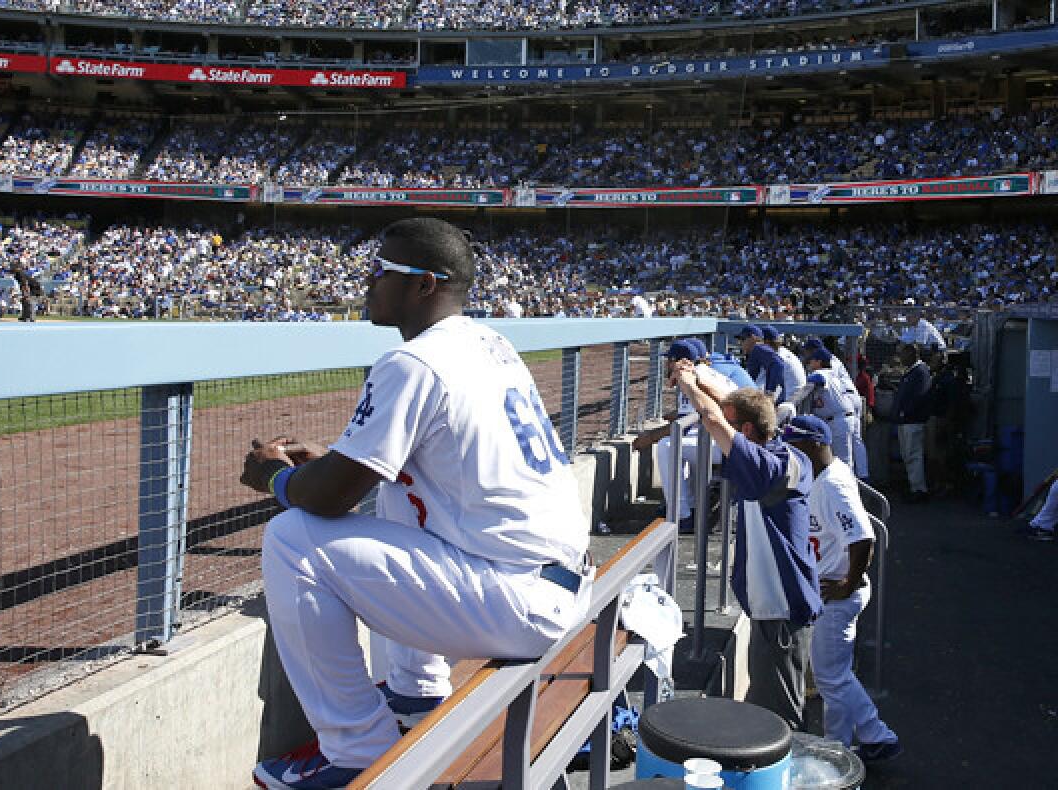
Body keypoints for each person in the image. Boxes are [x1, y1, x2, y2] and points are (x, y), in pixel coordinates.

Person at [241, 218, 592, 790]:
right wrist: (336, 454)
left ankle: (357, 751)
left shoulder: (414, 361)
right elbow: (423, 454)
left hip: (518, 599)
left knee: (292, 541)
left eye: (382, 272)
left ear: (424, 285)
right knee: (398, 498)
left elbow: (330, 498)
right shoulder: (489, 342)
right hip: (557, 582)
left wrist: (275, 483)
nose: (369, 283)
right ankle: (415, 693)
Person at [669, 364, 821, 729]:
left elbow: (711, 418)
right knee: (763, 708)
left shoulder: (766, 469)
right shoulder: (784, 452)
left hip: (780, 610)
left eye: (737, 430)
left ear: (748, 432)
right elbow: (731, 414)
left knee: (778, 721)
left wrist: (690, 386)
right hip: (780, 607)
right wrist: (705, 381)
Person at [783, 416, 901, 762]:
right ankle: (836, 745)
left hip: (839, 594)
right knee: (835, 677)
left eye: (797, 445)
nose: (791, 451)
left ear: (817, 444)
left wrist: (847, 583)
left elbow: (864, 537)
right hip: (830, 589)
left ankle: (876, 734)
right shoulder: (822, 474)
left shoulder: (833, 484)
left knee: (831, 677)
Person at [633, 339, 736, 533]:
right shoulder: (703, 372)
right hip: (735, 438)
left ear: (677, 361)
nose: (666, 364)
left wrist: (649, 437)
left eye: (669, 360)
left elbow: (684, 426)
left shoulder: (691, 376)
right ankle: (694, 506)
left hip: (733, 444)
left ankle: (682, 515)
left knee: (667, 445)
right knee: (690, 441)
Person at [804, 349, 860, 472]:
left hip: (838, 420)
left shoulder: (823, 373)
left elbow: (817, 379)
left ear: (819, 362)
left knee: (843, 462)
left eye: (811, 361)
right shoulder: (833, 373)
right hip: (839, 419)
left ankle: (849, 489)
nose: (809, 364)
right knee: (840, 461)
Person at [891, 344, 932, 503]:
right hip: (905, 421)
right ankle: (913, 487)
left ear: (913, 354)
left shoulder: (920, 372)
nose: (901, 358)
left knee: (914, 455)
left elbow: (918, 396)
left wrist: (905, 412)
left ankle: (919, 490)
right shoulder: (912, 372)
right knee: (908, 455)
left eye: (904, 354)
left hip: (913, 421)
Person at [736, 324, 788, 404]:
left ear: (753, 338)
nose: (740, 343)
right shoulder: (756, 352)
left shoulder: (758, 348)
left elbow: (778, 364)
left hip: (772, 400)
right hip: (771, 398)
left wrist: (770, 391)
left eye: (743, 339)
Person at [764, 326, 807, 395]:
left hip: (792, 400)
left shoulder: (777, 357)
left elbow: (771, 390)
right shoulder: (783, 352)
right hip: (798, 397)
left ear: (766, 341)